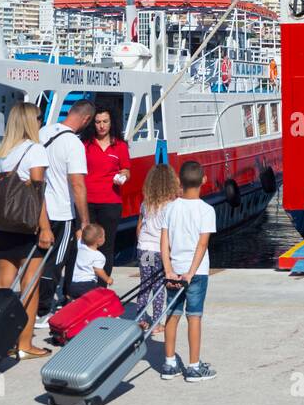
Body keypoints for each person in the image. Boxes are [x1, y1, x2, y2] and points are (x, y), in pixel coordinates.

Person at [0, 102, 53, 360]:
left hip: (5, 224)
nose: (40, 121)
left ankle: (1, 339)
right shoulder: (36, 150)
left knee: (3, 285)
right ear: (31, 121)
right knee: (30, 286)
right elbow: (37, 194)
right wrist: (46, 228)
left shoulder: (6, 151)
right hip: (28, 225)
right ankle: (25, 344)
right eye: (39, 117)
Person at [35, 99, 95, 326]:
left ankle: (32, 303)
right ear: (86, 119)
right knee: (55, 262)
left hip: (39, 209)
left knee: (38, 260)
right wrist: (85, 221)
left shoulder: (43, 133)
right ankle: (42, 311)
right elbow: (77, 185)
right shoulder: (73, 144)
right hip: (61, 211)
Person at [160, 160, 217, 382]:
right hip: (196, 273)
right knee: (194, 317)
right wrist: (191, 272)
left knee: (172, 316)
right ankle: (193, 367)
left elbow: (164, 242)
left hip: (174, 269)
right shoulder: (207, 210)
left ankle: (169, 362)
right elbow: (202, 245)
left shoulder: (170, 208)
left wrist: (168, 270)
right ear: (203, 180)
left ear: (179, 182)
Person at [81, 106, 131, 276]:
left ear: (111, 123)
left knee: (107, 245)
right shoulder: (85, 145)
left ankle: (102, 287)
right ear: (92, 124)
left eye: (105, 122)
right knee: (85, 245)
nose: (101, 126)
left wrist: (123, 176)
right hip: (87, 201)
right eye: (98, 122)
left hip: (110, 202)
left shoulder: (120, 145)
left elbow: (126, 169)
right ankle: (84, 282)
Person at [137, 163, 180, 339]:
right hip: (159, 250)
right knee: (159, 287)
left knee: (145, 284)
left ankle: (139, 319)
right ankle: (156, 322)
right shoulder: (171, 206)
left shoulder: (145, 204)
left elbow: (139, 227)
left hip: (144, 248)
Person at [66, 223, 113, 299]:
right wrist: (107, 279)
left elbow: (79, 236)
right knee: (96, 301)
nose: (105, 237)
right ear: (99, 240)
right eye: (104, 236)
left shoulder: (79, 246)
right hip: (87, 285)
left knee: (79, 303)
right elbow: (98, 270)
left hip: (72, 285)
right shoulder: (99, 256)